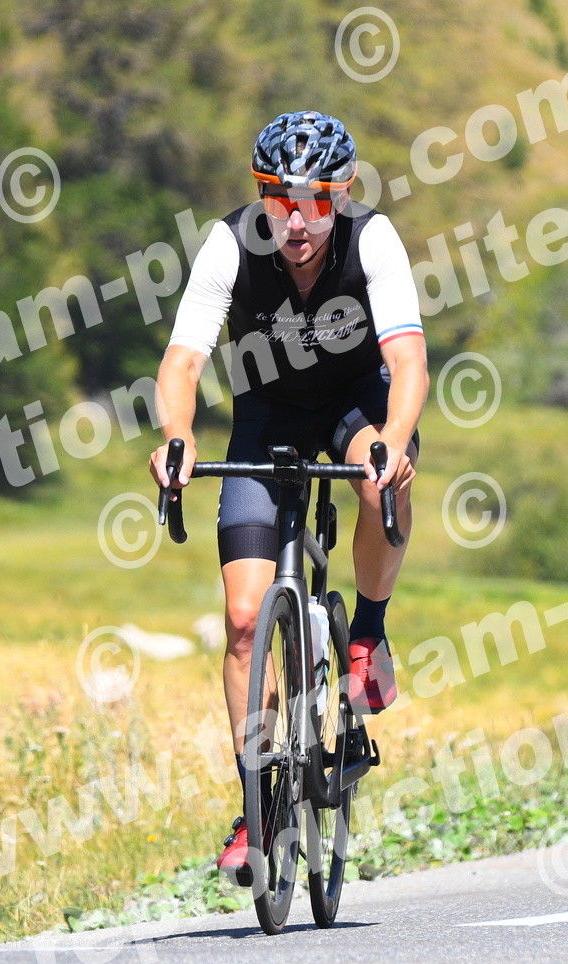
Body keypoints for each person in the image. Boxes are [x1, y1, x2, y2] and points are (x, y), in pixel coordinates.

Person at [148, 110, 428, 877]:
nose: (297, 222)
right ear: (260, 195)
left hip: (355, 405)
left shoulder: (372, 240)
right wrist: (177, 437)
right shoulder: (229, 244)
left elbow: (408, 361)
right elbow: (181, 362)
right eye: (279, 201)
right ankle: (259, 804)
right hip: (267, 414)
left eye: (315, 203)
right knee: (244, 621)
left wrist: (395, 440)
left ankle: (367, 633)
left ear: (343, 194)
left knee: (380, 472)